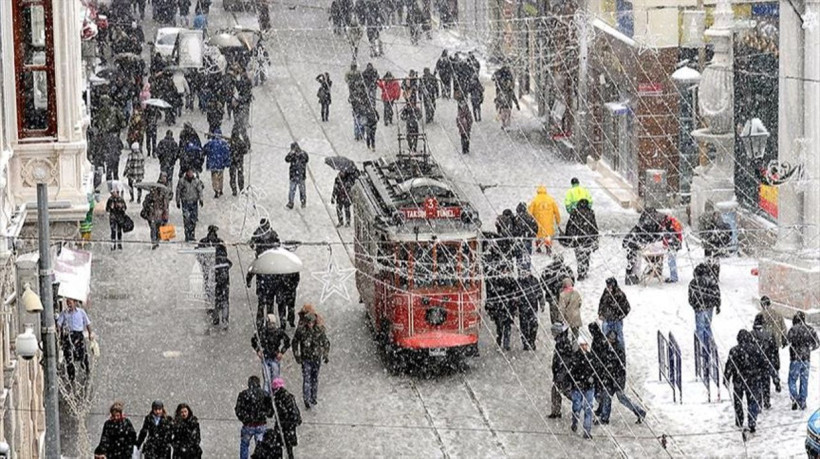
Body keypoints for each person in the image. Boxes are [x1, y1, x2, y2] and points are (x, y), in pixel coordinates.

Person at [592, 326, 646, 425]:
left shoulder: (618, 350)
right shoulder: (606, 347)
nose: (610, 341)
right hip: (609, 379)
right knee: (607, 396)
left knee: (622, 398)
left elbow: (620, 368)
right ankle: (604, 417)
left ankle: (640, 411)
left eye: (611, 340)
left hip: (616, 379)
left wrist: (618, 381)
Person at [292, 306, 331, 409]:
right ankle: (307, 399)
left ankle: (313, 397)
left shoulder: (319, 330)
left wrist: (325, 354)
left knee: (314, 378)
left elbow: (326, 342)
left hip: (316, 358)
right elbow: (295, 342)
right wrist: (297, 355)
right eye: (308, 323)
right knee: (307, 378)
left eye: (312, 323)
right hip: (306, 358)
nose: (310, 325)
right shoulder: (301, 331)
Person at [724, 330, 763, 432]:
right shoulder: (756, 349)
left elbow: (730, 365)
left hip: (738, 379)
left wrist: (726, 377)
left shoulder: (734, 351)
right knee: (752, 401)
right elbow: (762, 364)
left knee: (738, 400)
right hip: (753, 379)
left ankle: (739, 419)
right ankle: (752, 420)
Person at [236, 375, 275, 459]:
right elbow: (270, 411)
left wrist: (244, 419)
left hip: (248, 425)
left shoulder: (243, 394)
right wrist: (265, 414)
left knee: (244, 445)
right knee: (261, 446)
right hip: (261, 424)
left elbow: (238, 410)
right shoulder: (265, 394)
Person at [689, 262, 721, 365]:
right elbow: (717, 294)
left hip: (699, 309)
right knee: (707, 327)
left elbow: (690, 297)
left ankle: (702, 348)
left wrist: (695, 305)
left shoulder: (694, 282)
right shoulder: (712, 282)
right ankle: (710, 345)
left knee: (700, 328)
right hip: (709, 307)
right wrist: (717, 305)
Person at [621, 208, 664, 285]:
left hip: (635, 243)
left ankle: (651, 271)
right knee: (634, 260)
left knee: (634, 260)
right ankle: (632, 277)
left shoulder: (646, 224)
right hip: (633, 244)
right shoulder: (647, 225)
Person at [787, 311, 819, 410]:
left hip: (795, 359)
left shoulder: (793, 329)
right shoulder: (810, 330)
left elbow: (787, 341)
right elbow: (817, 344)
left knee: (792, 380)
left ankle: (795, 398)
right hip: (806, 359)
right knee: (804, 380)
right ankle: (803, 401)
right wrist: (809, 348)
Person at [56, 298, 94, 381]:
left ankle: (86, 370)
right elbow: (59, 324)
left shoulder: (81, 312)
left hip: (78, 335)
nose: (69, 305)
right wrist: (58, 332)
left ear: (75, 303)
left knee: (83, 353)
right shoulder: (64, 313)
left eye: (70, 303)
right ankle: (71, 376)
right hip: (69, 335)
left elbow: (88, 323)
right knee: (68, 355)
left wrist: (90, 333)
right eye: (67, 303)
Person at [252, 314, 292, 392]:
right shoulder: (262, 332)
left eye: (273, 324)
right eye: (270, 324)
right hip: (265, 358)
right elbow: (254, 341)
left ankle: (275, 395)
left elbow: (287, 341)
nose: (271, 326)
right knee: (267, 380)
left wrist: (282, 352)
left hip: (275, 358)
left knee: (275, 380)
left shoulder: (278, 332)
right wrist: (258, 351)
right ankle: (267, 397)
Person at [563, 199, 599, 280]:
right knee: (586, 255)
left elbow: (569, 226)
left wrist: (567, 237)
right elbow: (594, 226)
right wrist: (595, 237)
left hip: (577, 239)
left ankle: (581, 272)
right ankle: (584, 270)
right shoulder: (590, 213)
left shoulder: (575, 213)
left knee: (579, 256)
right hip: (588, 239)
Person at [751, 313, 779, 410]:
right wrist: (775, 361)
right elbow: (775, 350)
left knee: (757, 383)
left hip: (756, 363)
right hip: (767, 361)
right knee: (766, 382)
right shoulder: (770, 334)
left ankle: (759, 402)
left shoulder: (751, 334)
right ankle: (767, 401)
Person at [698, 201, 732, 281]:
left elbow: (701, 230)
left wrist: (704, 238)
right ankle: (716, 275)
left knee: (707, 258)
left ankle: (708, 274)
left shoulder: (702, 216)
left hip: (707, 241)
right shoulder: (717, 214)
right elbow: (721, 226)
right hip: (717, 241)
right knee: (716, 258)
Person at [570, 336, 596, 439]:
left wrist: (592, 378)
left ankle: (587, 430)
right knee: (577, 406)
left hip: (588, 387)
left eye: (585, 345)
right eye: (582, 345)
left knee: (588, 408)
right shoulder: (575, 358)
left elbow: (595, 371)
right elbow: (572, 372)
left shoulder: (591, 358)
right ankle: (575, 421)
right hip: (579, 386)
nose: (584, 347)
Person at [485, 265, 515, 350]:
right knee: (499, 328)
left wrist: (514, 305)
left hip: (508, 308)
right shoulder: (495, 282)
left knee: (507, 327)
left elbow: (515, 293)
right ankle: (499, 341)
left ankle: (506, 344)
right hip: (499, 309)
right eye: (504, 271)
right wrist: (490, 309)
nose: (505, 273)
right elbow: (491, 296)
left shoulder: (511, 281)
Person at [271, 378, 302, 459]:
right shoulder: (289, 396)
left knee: (280, 446)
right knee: (289, 448)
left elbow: (280, 412)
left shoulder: (278, 398)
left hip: (284, 426)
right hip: (289, 427)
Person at [540, 254, 575, 324]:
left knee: (560, 314)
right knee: (557, 314)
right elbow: (543, 282)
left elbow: (572, 282)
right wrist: (551, 289)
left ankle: (560, 328)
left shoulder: (566, 269)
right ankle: (558, 328)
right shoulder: (549, 270)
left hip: (561, 296)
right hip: (554, 296)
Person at [549, 323, 574, 419]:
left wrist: (560, 375)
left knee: (566, 392)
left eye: (553, 332)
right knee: (556, 391)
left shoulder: (562, 343)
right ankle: (556, 411)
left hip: (562, 374)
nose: (552, 335)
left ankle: (583, 405)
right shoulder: (561, 342)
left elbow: (565, 360)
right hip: (560, 373)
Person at [597, 277, 630, 350]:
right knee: (605, 338)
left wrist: (619, 317)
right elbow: (601, 302)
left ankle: (620, 353)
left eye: (610, 286)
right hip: (606, 320)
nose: (608, 288)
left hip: (616, 321)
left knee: (619, 338)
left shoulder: (620, 295)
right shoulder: (606, 292)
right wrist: (600, 313)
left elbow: (627, 308)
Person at [528, 186, 561, 254]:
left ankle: (538, 246)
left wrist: (529, 222)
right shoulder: (551, 199)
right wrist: (558, 221)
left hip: (538, 221)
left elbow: (529, 213)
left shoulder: (534, 200)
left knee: (538, 235)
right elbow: (556, 212)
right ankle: (548, 247)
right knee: (547, 235)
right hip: (548, 223)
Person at [176, 168, 205, 242]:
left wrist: (201, 199)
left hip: (194, 202)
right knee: (186, 219)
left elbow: (200, 190)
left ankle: (192, 234)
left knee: (193, 219)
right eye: (189, 172)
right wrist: (178, 201)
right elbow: (178, 191)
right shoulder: (182, 181)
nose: (190, 173)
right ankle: (187, 235)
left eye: (191, 172)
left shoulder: (196, 181)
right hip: (185, 202)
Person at [141, 181, 171, 249]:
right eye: (152, 189)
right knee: (153, 229)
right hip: (151, 216)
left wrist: (165, 212)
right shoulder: (148, 197)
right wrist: (149, 204)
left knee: (158, 229)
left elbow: (165, 206)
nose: (153, 191)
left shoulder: (161, 197)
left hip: (159, 216)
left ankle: (157, 240)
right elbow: (144, 205)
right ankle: (154, 242)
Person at [517, 273, 543, 351]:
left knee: (534, 325)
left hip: (533, 306)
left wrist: (542, 303)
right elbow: (516, 294)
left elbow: (539, 291)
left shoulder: (534, 280)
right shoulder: (519, 281)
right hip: (523, 307)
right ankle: (525, 343)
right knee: (523, 325)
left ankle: (532, 341)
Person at [204, 128, 230, 198]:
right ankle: (220, 189)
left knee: (214, 177)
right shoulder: (224, 144)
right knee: (220, 177)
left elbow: (204, 150)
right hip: (221, 164)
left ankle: (216, 190)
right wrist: (227, 163)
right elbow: (227, 154)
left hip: (212, 163)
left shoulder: (210, 143)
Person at [285, 142, 309, 209]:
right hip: (293, 175)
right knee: (292, 190)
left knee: (302, 190)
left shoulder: (303, 154)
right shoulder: (292, 155)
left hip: (301, 175)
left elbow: (307, 159)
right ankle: (291, 202)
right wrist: (291, 154)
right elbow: (286, 159)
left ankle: (303, 201)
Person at [661, 213, 683, 283]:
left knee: (671, 260)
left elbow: (673, 234)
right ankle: (673, 276)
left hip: (674, 244)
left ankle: (674, 277)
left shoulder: (672, 223)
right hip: (673, 244)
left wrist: (668, 242)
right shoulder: (668, 223)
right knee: (671, 260)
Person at [230, 126, 249, 196]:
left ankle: (234, 190)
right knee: (239, 176)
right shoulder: (240, 142)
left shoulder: (231, 142)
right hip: (239, 161)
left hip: (233, 161)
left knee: (233, 176)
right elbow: (246, 150)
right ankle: (240, 189)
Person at [456, 89, 473, 154]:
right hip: (465, 127)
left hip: (464, 127)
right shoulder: (464, 112)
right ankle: (465, 148)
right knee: (465, 137)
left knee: (464, 137)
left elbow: (469, 118)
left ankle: (465, 148)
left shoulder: (461, 113)